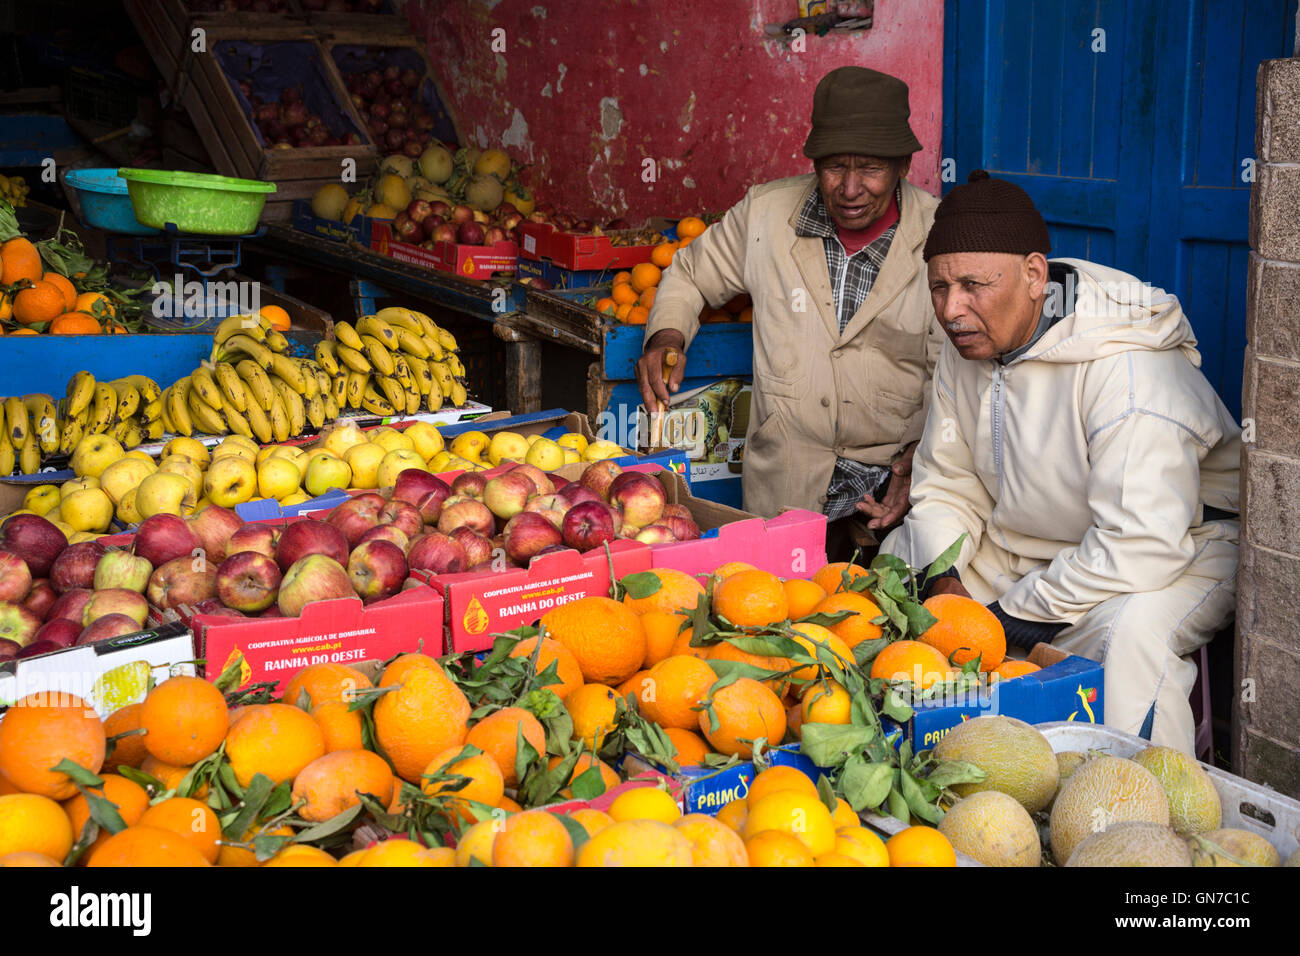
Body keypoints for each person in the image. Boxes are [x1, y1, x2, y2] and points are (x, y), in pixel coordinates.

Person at [883, 170, 1241, 754]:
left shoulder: (1126, 372)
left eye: (974, 285)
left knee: (1129, 640)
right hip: (1035, 539)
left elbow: (1138, 543)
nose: (952, 309)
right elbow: (949, 480)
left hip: (1175, 549)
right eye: (939, 287)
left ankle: (1148, 805)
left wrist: (1007, 616)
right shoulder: (971, 343)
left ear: (1033, 276)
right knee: (901, 566)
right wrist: (946, 577)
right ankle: (935, 756)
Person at [635, 66, 944, 559]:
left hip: (893, 495)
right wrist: (665, 338)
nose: (849, 188)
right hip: (784, 488)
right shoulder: (766, 215)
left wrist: (922, 459)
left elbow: (956, 370)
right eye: (834, 166)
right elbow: (690, 273)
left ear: (903, 165)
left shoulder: (940, 234)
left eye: (870, 168)